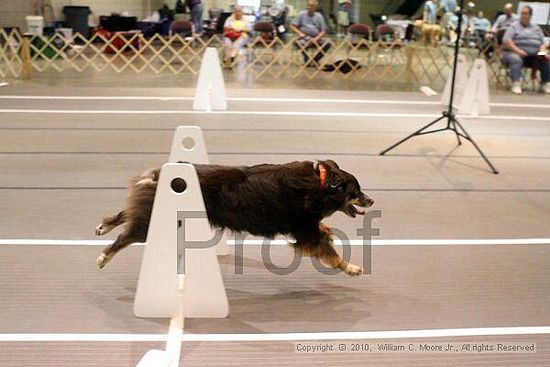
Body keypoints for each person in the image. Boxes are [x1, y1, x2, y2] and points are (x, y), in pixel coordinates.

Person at [502, 6, 549, 94]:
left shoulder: (536, 28)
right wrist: (518, 51)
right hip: (514, 52)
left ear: (530, 15)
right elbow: (507, 40)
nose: (523, 16)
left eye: (525, 14)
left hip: (534, 55)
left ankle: (545, 83)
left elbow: (544, 43)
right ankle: (516, 83)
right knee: (516, 59)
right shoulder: (513, 26)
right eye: (522, 13)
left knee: (546, 59)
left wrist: (542, 51)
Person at [291, 0, 330, 67]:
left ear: (315, 7)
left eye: (311, 6)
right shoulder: (301, 14)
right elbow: (292, 26)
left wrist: (316, 39)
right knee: (300, 43)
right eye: (308, 5)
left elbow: (323, 31)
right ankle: (306, 59)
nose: (309, 7)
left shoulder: (319, 16)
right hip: (303, 37)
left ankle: (315, 60)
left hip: (316, 38)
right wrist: (299, 33)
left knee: (327, 44)